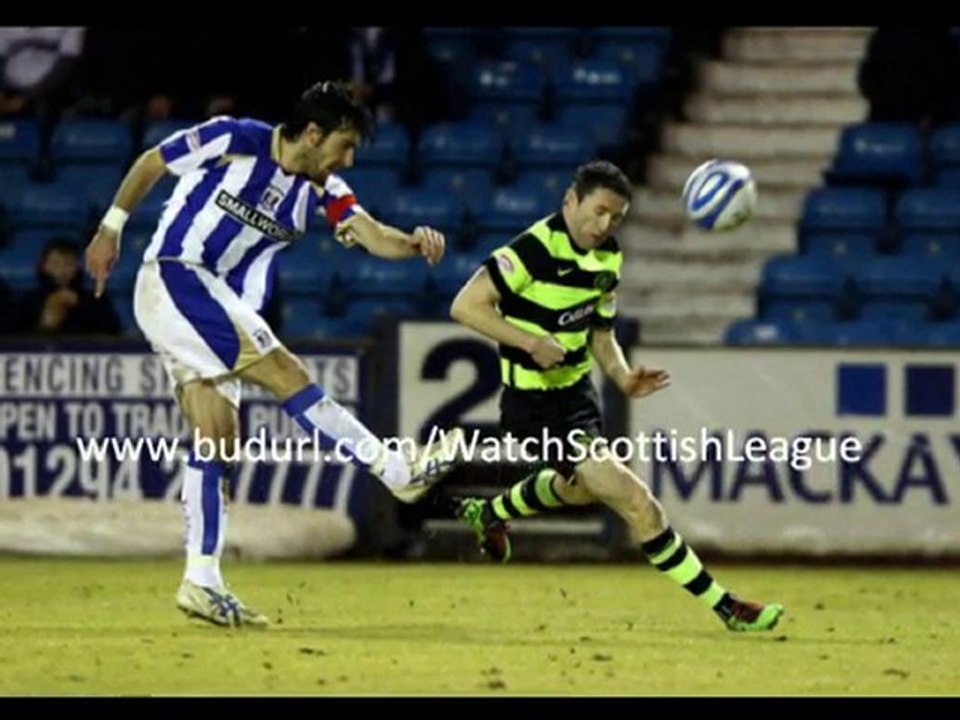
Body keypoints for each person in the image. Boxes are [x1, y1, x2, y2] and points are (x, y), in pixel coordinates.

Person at [84, 80, 463, 628]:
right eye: (345, 144)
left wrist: (410, 243)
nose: (348, 158)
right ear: (313, 133)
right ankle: (395, 468)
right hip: (178, 277)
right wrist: (110, 229)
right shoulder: (235, 138)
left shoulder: (323, 187)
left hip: (216, 302)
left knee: (217, 436)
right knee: (286, 371)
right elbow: (153, 160)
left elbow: (367, 231)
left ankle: (201, 580)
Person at [448, 160, 784, 632]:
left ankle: (491, 512)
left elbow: (600, 334)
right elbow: (464, 306)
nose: (604, 225)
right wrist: (528, 342)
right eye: (599, 211)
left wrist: (622, 376)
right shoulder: (531, 251)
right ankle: (725, 606)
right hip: (532, 408)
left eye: (616, 218)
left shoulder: (608, 258)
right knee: (636, 501)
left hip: (578, 400)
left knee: (578, 487)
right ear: (571, 200)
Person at [18, 237, 121, 336]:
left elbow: (111, 334)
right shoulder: (29, 301)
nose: (62, 270)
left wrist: (81, 307)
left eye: (68, 263)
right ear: (44, 266)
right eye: (56, 264)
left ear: (77, 266)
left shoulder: (95, 300)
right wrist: (45, 325)